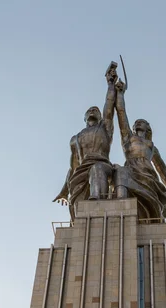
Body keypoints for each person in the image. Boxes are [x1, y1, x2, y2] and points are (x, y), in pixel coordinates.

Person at [113, 80, 166, 223]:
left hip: (149, 177)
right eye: (136, 122)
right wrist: (120, 93)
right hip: (131, 172)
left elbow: (163, 173)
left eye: (141, 122)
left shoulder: (152, 147)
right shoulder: (128, 138)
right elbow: (121, 113)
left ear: (148, 128)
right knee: (120, 174)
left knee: (154, 211)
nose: (137, 123)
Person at [53, 62, 118, 220]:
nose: (92, 111)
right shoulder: (74, 139)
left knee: (96, 169)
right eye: (89, 110)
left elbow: (109, 106)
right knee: (78, 211)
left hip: (102, 166)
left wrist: (111, 84)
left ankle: (97, 202)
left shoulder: (104, 129)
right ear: (84, 117)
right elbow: (73, 168)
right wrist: (64, 191)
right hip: (81, 174)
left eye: (95, 110)